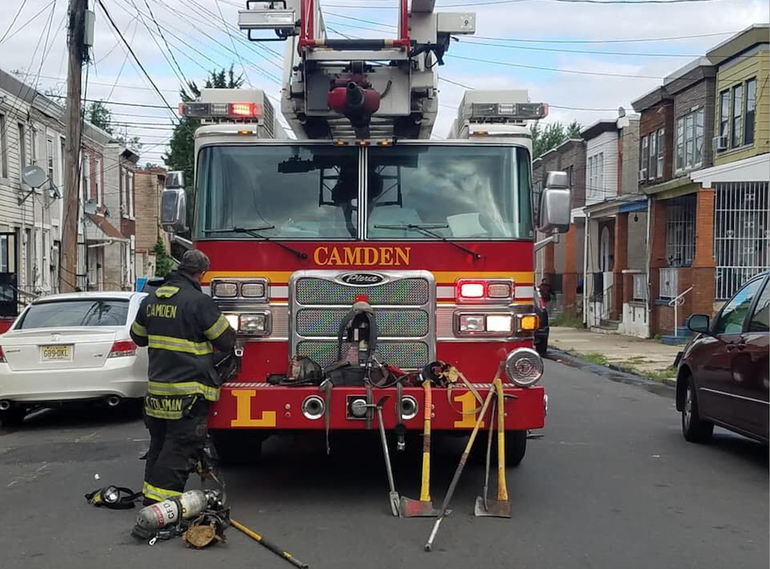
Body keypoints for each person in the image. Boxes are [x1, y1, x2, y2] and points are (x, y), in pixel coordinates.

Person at [130, 250, 235, 506]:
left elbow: (138, 337)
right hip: (189, 393)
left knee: (160, 446)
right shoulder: (199, 302)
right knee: (180, 448)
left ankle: (150, 496)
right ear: (201, 274)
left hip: (157, 394)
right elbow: (226, 341)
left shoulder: (151, 300)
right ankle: (161, 508)